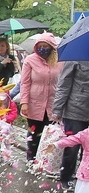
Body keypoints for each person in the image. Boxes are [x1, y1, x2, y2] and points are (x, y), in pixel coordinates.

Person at [20, 32, 63, 162]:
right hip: (34, 103)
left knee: (50, 133)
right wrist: (24, 102)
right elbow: (25, 82)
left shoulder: (59, 61)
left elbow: (62, 82)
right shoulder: (30, 60)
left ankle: (46, 161)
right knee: (34, 133)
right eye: (41, 46)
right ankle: (31, 158)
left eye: (46, 46)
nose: (43, 49)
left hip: (52, 103)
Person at [51, 61, 89, 190]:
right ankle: (66, 177)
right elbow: (64, 84)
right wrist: (57, 109)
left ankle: (84, 180)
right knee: (72, 147)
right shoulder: (75, 58)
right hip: (75, 111)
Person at [46, 128, 89, 193]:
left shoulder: (86, 133)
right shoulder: (86, 133)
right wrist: (56, 144)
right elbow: (72, 139)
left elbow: (72, 139)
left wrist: (55, 144)